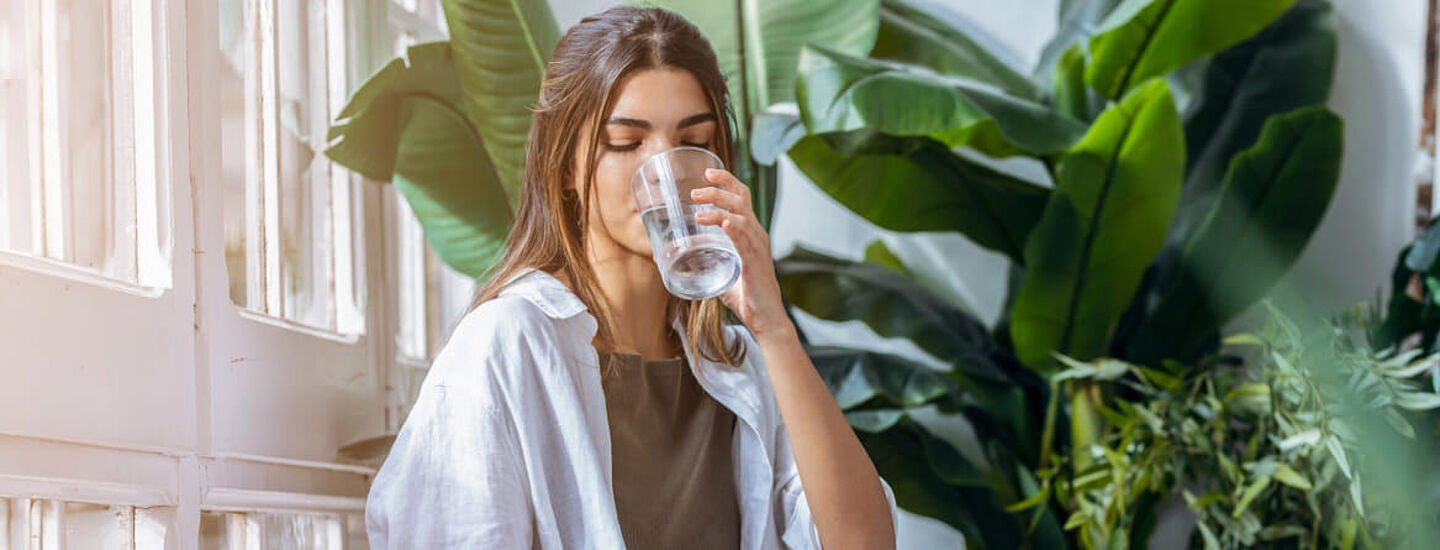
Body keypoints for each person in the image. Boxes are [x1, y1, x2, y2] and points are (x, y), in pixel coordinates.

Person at [364, 5, 897, 549]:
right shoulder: (507, 345)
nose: (665, 170)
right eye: (626, 142)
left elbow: (866, 543)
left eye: (697, 140)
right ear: (565, 167)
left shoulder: (738, 363)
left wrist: (774, 328)